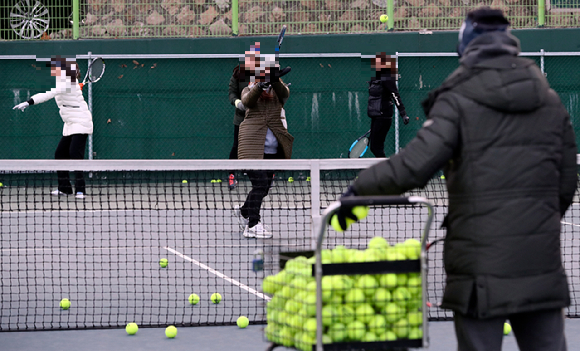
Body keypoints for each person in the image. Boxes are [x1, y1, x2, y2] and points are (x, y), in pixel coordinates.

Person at [334, 8, 576, 351]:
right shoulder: (549, 100)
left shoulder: (458, 99)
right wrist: (537, 221)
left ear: (466, 48)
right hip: (541, 264)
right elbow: (566, 182)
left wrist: (360, 189)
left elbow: (414, 166)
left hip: (480, 271)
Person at [234, 44, 294, 239]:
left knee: (265, 186)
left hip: (271, 150)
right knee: (260, 184)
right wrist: (260, 86)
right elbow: (246, 103)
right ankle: (253, 224)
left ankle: (245, 210)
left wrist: (274, 80)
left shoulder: (279, 92)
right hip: (251, 148)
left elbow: (284, 93)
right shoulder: (248, 89)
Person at [13, 56, 93, 199]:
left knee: (75, 155)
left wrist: (29, 102)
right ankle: (65, 188)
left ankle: (80, 190)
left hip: (81, 122)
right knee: (60, 154)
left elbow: (48, 94)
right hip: (69, 124)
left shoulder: (68, 83)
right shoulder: (67, 83)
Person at [367, 52, 409, 158]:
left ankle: (386, 172)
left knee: (376, 147)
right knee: (375, 147)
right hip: (376, 116)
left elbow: (395, 95)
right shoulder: (374, 79)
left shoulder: (387, 78)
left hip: (383, 116)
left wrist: (403, 113)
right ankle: (385, 171)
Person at [228, 63, 249, 190]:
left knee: (263, 146)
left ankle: (267, 175)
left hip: (258, 118)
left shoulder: (263, 74)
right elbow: (232, 93)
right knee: (237, 146)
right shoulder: (237, 75)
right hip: (241, 118)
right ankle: (231, 175)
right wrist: (237, 102)